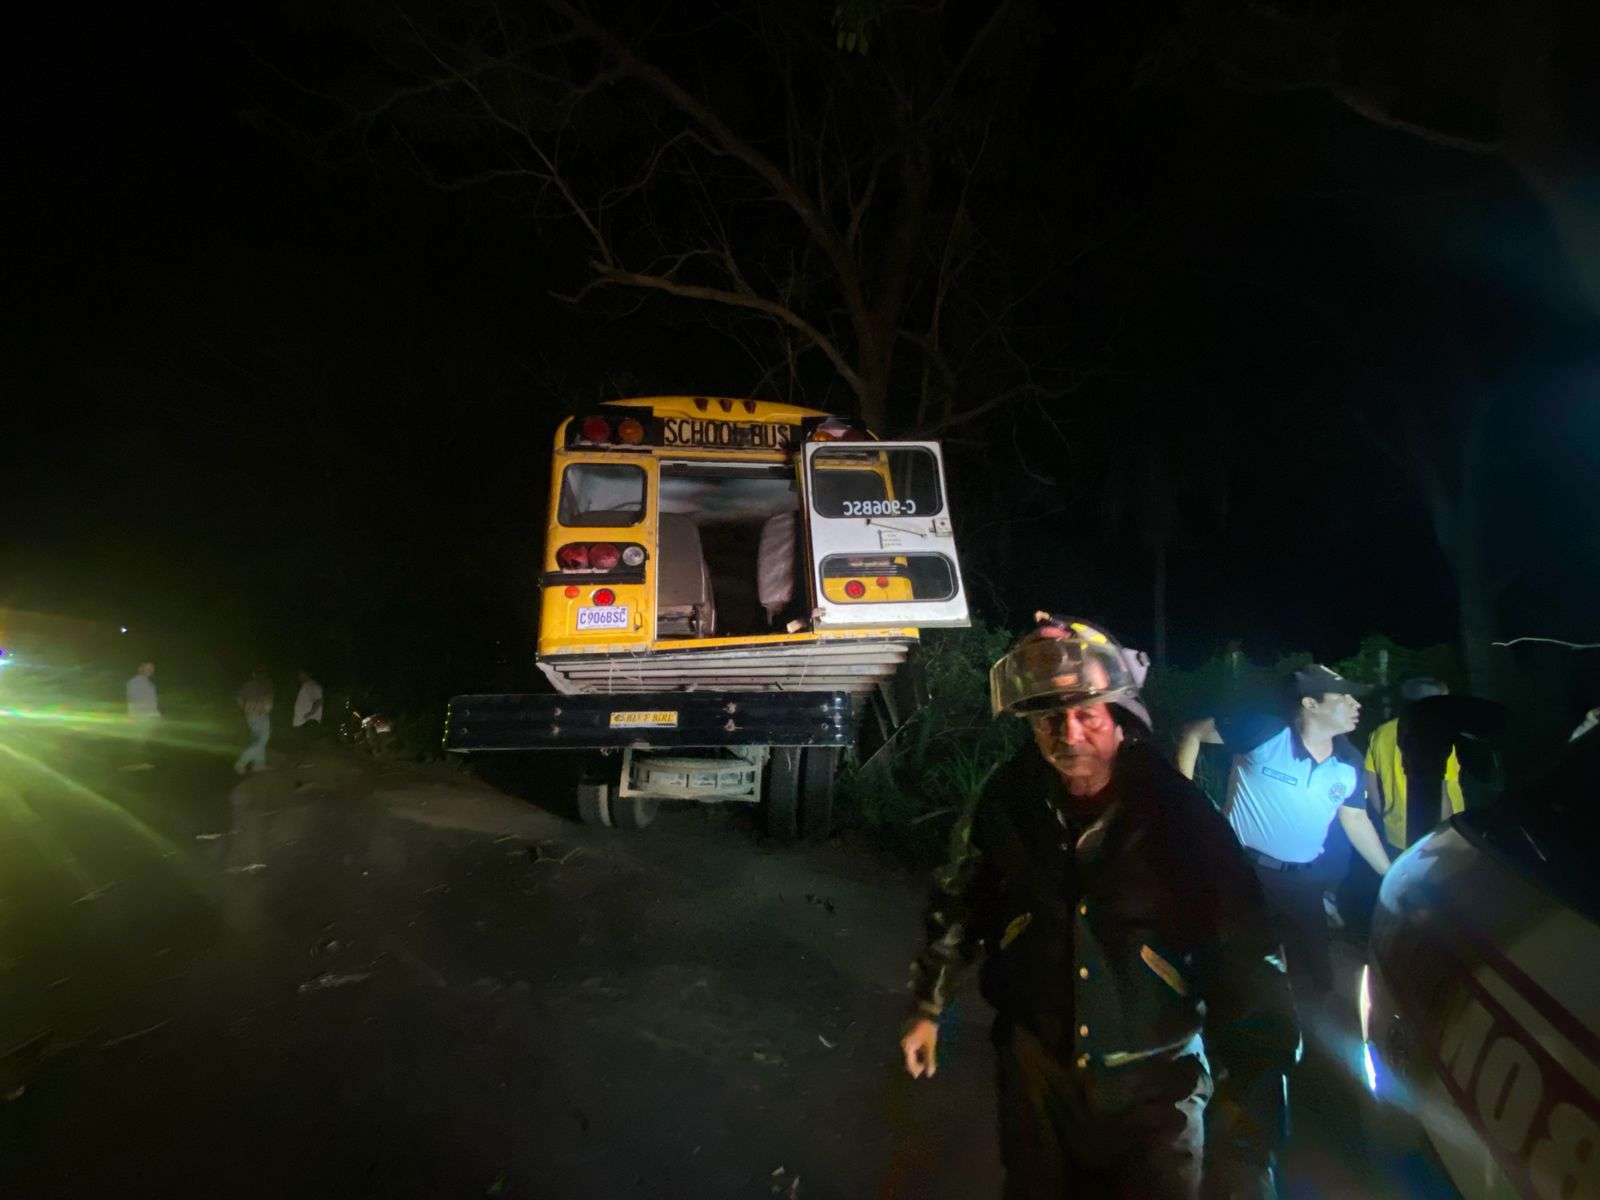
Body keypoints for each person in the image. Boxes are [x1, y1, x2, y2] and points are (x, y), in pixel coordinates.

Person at [901, 615, 1298, 1199]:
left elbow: (1247, 956)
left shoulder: (1178, 815)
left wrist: (1246, 1139)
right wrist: (929, 1007)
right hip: (1036, 1065)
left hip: (1155, 1078)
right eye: (1048, 719)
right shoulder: (1008, 799)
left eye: (1086, 714)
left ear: (1119, 721)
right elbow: (959, 898)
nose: (1069, 734)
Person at [1176, 665, 1390, 1006]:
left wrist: (1391, 875)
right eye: (1343, 696)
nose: (1355, 704)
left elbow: (1355, 819)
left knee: (1317, 979)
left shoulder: (1349, 762)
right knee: (1231, 965)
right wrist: (1183, 800)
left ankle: (1307, 1045)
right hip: (1240, 871)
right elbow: (1193, 733)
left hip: (1301, 882)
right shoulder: (1264, 730)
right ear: (1310, 703)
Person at [1364, 677, 1465, 853]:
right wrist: (1446, 835)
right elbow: (1440, 791)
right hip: (1436, 834)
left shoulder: (1380, 732)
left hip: (1397, 834)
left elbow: (1371, 782)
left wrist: (1389, 816)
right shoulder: (1436, 735)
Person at [234, 667, 274, 775]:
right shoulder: (266, 684)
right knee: (261, 741)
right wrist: (264, 709)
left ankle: (259, 765)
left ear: (253, 674)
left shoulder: (247, 685)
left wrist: (245, 709)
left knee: (258, 740)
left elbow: (238, 698)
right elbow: (269, 700)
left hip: (250, 715)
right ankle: (241, 763)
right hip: (261, 715)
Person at [124, 660, 161, 768]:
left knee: (147, 740)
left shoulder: (151, 685)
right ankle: (135, 763)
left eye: (152, 668)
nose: (151, 670)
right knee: (138, 741)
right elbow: (131, 700)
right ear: (140, 668)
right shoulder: (134, 682)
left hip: (151, 717)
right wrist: (132, 716)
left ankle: (144, 762)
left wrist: (157, 715)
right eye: (148, 668)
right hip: (140, 716)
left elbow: (153, 702)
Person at [292, 669, 324, 740]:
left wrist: (310, 714)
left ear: (306, 674)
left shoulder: (311, 685)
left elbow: (319, 701)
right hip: (302, 722)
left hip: (308, 722)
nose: (299, 677)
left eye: (301, 674)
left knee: (305, 747)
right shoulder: (306, 686)